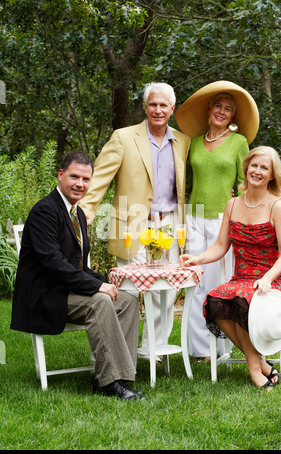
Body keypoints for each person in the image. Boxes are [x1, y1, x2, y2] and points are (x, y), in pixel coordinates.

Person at [11, 151, 145, 401]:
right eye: (74, 177)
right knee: (100, 301)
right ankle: (110, 383)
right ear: (60, 175)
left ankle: (120, 377)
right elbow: (54, 264)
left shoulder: (78, 213)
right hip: (45, 293)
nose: (79, 184)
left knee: (126, 301)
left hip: (66, 288)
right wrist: (97, 287)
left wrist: (104, 281)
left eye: (85, 179)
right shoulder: (45, 211)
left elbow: (78, 264)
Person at [79, 82, 191, 354]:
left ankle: (154, 351)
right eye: (152, 104)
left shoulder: (183, 141)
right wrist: (84, 211)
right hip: (132, 225)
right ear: (144, 107)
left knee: (165, 293)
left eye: (163, 105)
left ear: (172, 109)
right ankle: (119, 352)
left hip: (169, 225)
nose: (157, 110)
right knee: (128, 292)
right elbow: (100, 178)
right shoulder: (123, 137)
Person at [180, 146, 281, 389]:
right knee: (215, 301)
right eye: (254, 165)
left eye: (264, 167)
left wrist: (266, 278)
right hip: (243, 278)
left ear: (272, 175)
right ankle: (259, 363)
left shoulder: (278, 206)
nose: (257, 171)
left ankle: (255, 371)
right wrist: (196, 259)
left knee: (242, 300)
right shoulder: (232, 204)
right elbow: (221, 246)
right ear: (246, 169)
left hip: (275, 278)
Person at [176, 80, 259, 361]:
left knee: (221, 283)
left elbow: (246, 183)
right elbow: (184, 181)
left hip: (225, 219)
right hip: (194, 217)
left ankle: (223, 346)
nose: (221, 112)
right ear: (209, 109)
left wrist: (246, 218)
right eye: (218, 106)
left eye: (228, 109)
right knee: (196, 281)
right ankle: (200, 350)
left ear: (232, 116)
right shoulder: (194, 143)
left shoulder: (239, 143)